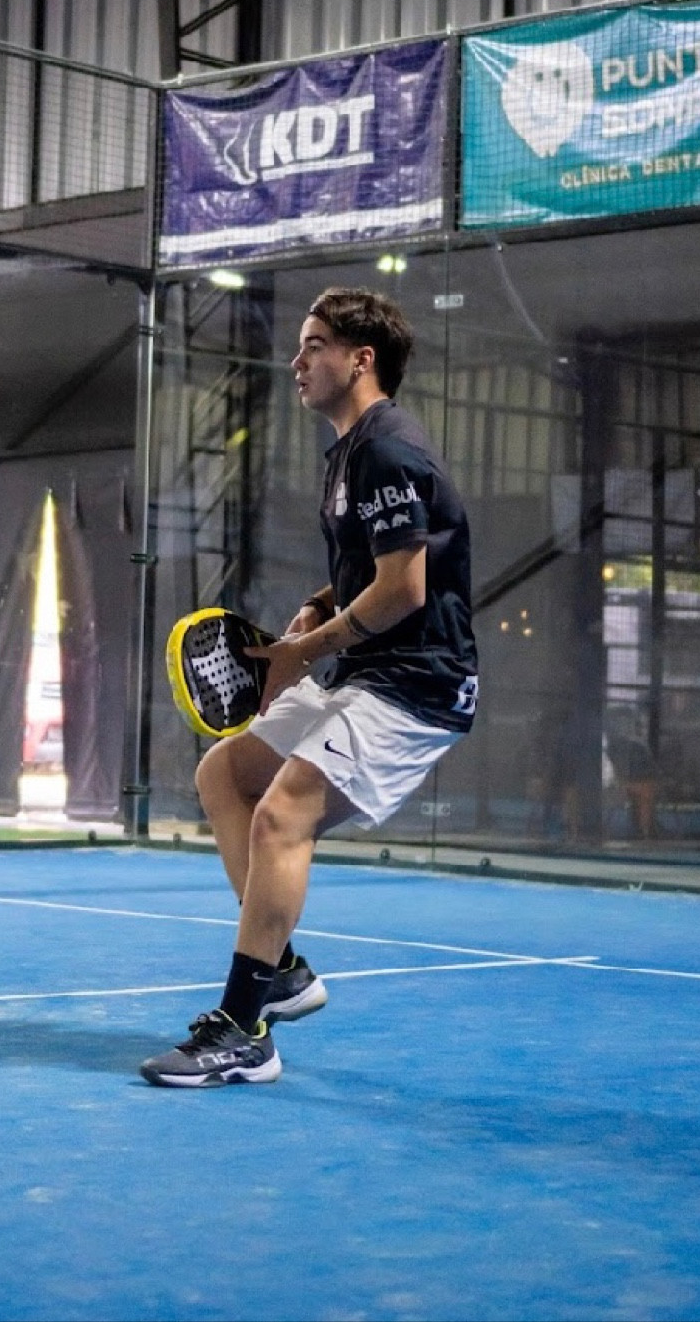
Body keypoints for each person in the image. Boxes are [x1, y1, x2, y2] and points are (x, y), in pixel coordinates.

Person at [141, 286, 478, 1087]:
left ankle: (243, 1030)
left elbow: (405, 589)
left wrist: (303, 651)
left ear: (362, 359)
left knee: (283, 812)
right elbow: (378, 568)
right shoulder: (349, 453)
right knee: (225, 773)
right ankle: (282, 971)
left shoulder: (389, 449)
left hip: (417, 683)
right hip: (367, 669)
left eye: (314, 344)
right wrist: (321, 605)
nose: (296, 360)